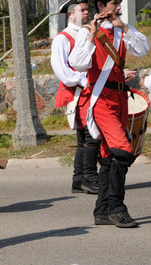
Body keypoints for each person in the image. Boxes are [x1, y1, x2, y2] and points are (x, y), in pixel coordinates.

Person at [68, 0, 150, 227]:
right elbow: (77, 63)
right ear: (101, 4)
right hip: (101, 101)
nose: (119, 7)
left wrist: (123, 26)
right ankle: (116, 207)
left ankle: (102, 211)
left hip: (120, 100)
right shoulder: (88, 31)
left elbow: (143, 48)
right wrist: (91, 34)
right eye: (115, 3)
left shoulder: (120, 29)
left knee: (108, 156)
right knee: (123, 152)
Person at [51, 0, 100, 195]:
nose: (87, 13)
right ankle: (89, 176)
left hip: (90, 90)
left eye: (88, 9)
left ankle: (79, 179)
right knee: (90, 134)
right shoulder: (62, 38)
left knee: (84, 137)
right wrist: (85, 80)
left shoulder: (89, 32)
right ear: (71, 14)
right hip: (79, 92)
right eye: (82, 10)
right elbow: (62, 71)